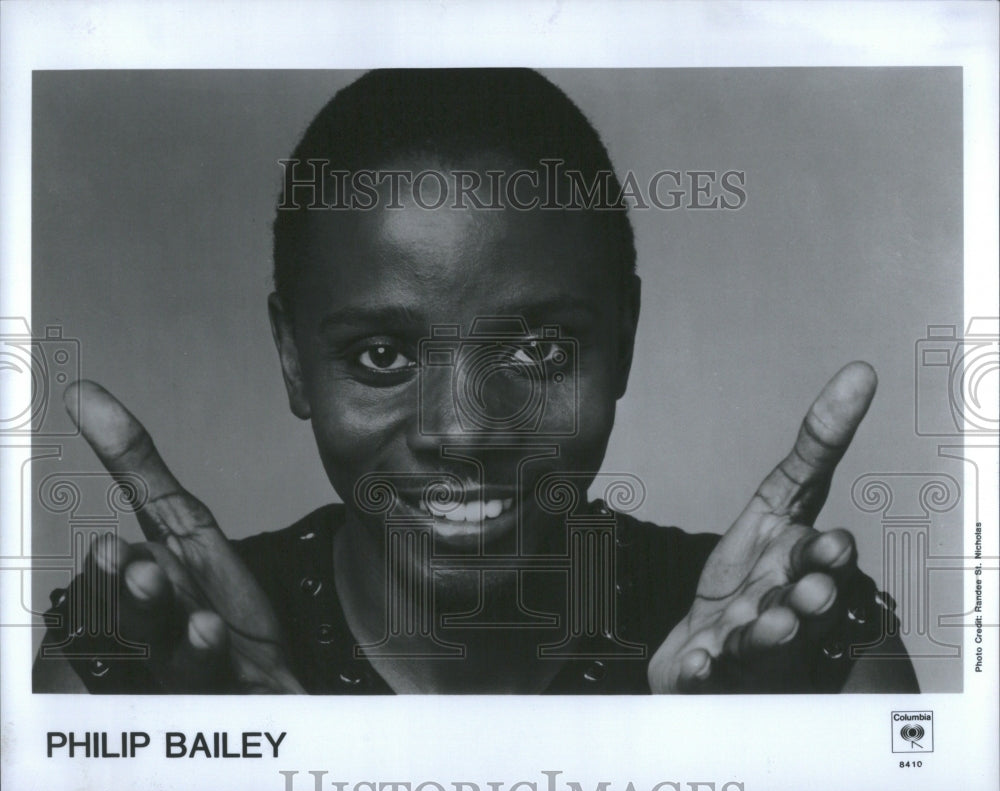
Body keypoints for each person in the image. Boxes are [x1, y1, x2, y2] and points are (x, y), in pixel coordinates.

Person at [33, 68, 918, 695]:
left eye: (537, 350)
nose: (463, 433)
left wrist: (725, 759)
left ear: (625, 340)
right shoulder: (155, 661)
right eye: (382, 355)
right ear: (294, 358)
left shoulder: (781, 651)